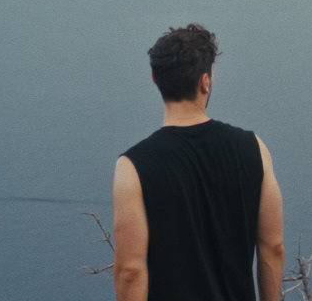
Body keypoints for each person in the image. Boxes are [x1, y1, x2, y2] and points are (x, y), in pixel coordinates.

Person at [113, 24, 285, 301]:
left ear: (155, 78)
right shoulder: (254, 148)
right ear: (205, 81)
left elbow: (130, 271)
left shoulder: (133, 166)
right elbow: (273, 248)